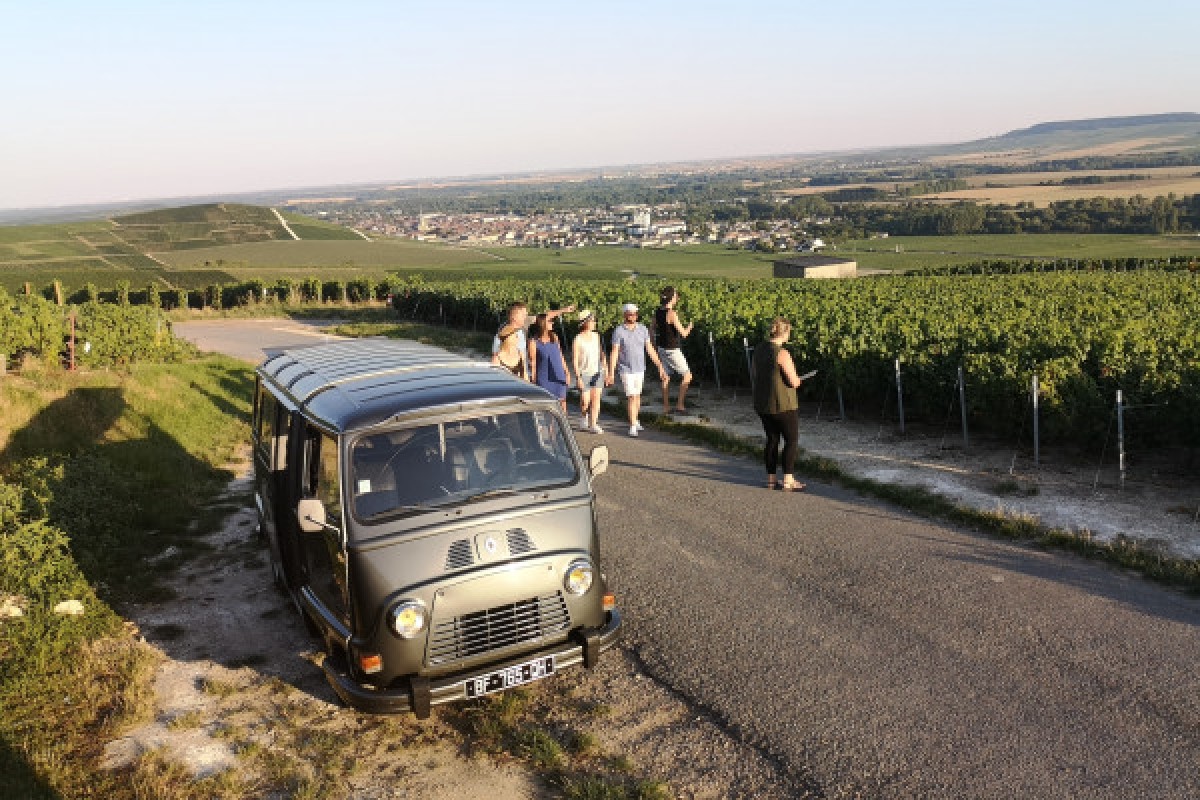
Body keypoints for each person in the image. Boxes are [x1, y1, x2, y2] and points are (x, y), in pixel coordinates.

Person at [751, 317, 806, 492]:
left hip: (762, 403)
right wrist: (799, 380)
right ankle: (788, 480)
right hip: (783, 404)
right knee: (791, 440)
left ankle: (771, 480)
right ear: (785, 332)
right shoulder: (782, 353)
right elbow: (793, 381)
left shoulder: (759, 349)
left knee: (772, 439)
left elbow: (755, 373)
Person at [607, 303, 667, 437]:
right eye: (629, 314)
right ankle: (633, 425)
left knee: (638, 396)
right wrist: (611, 372)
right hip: (625, 369)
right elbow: (615, 352)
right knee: (632, 397)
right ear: (624, 315)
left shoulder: (643, 329)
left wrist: (659, 366)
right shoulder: (619, 331)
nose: (632, 316)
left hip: (640, 368)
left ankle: (635, 419)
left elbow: (649, 349)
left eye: (634, 314)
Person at [492, 301, 574, 380]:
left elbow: (544, 317)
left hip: (523, 374)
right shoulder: (502, 333)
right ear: (514, 317)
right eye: (523, 315)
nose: (526, 316)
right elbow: (495, 357)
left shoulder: (524, 324)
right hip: (508, 375)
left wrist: (564, 310)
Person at [654, 286, 694, 415]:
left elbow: (651, 329)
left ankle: (666, 407)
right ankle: (680, 405)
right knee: (687, 375)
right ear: (672, 298)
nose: (678, 298)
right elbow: (683, 334)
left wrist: (654, 345)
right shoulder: (672, 314)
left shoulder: (658, 312)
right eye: (676, 296)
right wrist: (690, 326)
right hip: (672, 349)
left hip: (661, 348)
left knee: (665, 378)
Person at [572, 309, 610, 433]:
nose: (594, 322)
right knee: (585, 400)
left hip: (597, 371)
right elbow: (575, 359)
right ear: (585, 322)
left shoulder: (596, 336)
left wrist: (605, 367)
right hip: (584, 373)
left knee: (596, 398)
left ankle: (593, 424)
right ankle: (584, 416)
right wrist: (577, 377)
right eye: (592, 320)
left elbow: (600, 352)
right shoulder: (578, 339)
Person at [528, 313, 571, 412]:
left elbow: (560, 355)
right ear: (542, 324)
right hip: (544, 378)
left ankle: (562, 427)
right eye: (549, 321)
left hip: (558, 375)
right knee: (549, 408)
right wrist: (533, 382)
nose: (552, 323)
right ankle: (550, 428)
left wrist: (567, 372)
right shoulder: (533, 342)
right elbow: (533, 364)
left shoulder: (554, 337)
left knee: (562, 405)